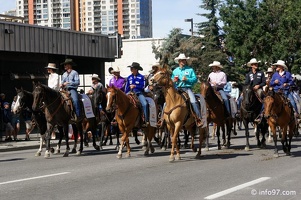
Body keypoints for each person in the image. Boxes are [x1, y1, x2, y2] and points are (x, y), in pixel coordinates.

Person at [172, 53, 202, 127]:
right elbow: (171, 80)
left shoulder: (190, 70)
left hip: (187, 88)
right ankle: (163, 119)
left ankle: (198, 119)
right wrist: (173, 80)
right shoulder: (175, 71)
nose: (183, 61)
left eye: (184, 60)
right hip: (177, 89)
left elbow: (195, 79)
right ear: (179, 61)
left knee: (193, 101)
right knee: (167, 102)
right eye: (182, 60)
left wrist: (187, 79)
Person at [125, 62, 149, 127]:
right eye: (131, 68)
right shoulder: (129, 77)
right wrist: (129, 87)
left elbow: (143, 87)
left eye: (132, 68)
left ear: (136, 69)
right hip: (129, 93)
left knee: (145, 104)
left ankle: (146, 120)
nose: (131, 69)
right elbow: (126, 88)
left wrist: (135, 86)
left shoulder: (142, 77)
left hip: (138, 93)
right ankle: (117, 118)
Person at [244, 58, 266, 123]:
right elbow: (246, 83)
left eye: (256, 64)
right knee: (241, 98)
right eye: (255, 64)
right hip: (250, 89)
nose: (256, 65)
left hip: (258, 89)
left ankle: (261, 113)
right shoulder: (248, 74)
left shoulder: (261, 73)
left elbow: (264, 82)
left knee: (263, 99)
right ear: (252, 65)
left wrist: (259, 85)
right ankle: (241, 113)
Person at [45, 63, 59, 139]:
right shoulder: (49, 76)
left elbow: (56, 85)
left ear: (51, 69)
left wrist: (49, 90)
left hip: (54, 92)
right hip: (49, 91)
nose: (47, 69)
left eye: (48, 68)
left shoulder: (56, 76)